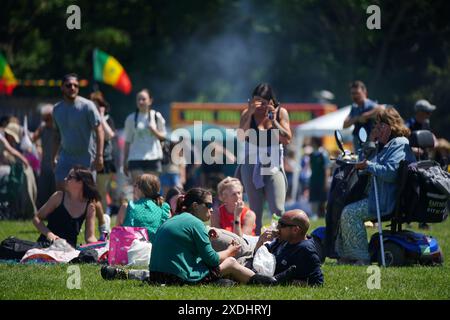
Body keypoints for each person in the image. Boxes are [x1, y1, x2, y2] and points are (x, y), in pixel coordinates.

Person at [102, 188, 296, 285]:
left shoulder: (177, 218)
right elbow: (212, 260)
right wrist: (230, 251)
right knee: (230, 264)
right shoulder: (195, 223)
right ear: (196, 206)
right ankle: (268, 283)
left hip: (156, 274)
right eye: (208, 206)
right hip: (177, 278)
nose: (211, 210)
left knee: (224, 274)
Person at [336, 107, 416, 265]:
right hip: (376, 195)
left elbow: (391, 173)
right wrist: (370, 143)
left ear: (388, 126)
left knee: (349, 213)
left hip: (384, 200)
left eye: (378, 125)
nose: (376, 129)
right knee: (343, 205)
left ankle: (361, 257)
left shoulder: (399, 143)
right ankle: (348, 255)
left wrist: (368, 165)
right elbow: (367, 163)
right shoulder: (387, 144)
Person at [237, 83, 292, 235]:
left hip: (273, 163)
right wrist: (249, 113)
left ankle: (280, 239)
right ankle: (256, 245)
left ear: (271, 102)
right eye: (255, 101)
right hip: (251, 162)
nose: (259, 105)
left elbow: (287, 139)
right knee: (255, 209)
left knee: (278, 208)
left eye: (262, 102)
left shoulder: (281, 113)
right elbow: (242, 136)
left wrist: (274, 121)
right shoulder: (247, 113)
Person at [52, 73, 104, 190]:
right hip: (65, 158)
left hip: (86, 159)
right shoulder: (57, 109)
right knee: (61, 190)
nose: (72, 88)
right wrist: (53, 158)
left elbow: (99, 130)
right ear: (62, 87)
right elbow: (56, 135)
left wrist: (99, 156)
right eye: (69, 85)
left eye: (76, 85)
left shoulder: (88, 106)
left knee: (89, 197)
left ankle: (98, 210)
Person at [32, 166, 99, 248]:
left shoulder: (90, 207)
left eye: (70, 177)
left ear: (81, 183)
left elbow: (90, 237)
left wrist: (101, 246)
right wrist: (49, 234)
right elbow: (36, 218)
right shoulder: (58, 197)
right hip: (46, 245)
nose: (65, 179)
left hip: (69, 250)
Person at [254, 209, 324, 286]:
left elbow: (318, 282)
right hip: (253, 247)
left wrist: (288, 281)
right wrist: (260, 241)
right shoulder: (285, 240)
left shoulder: (305, 250)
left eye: (282, 225)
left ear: (295, 230)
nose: (277, 228)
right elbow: (259, 255)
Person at [405, 99, 437, 230]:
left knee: (425, 190)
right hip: (412, 163)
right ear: (419, 112)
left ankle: (423, 220)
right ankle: (408, 217)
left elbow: (432, 138)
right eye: (427, 112)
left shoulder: (426, 124)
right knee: (413, 191)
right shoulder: (408, 125)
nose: (429, 115)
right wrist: (413, 149)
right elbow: (402, 142)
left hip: (424, 161)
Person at [123, 89, 167, 183]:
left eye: (143, 99)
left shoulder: (156, 116)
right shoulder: (131, 118)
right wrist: (124, 161)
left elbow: (163, 136)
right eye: (138, 99)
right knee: (138, 187)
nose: (140, 102)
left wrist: (153, 130)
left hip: (153, 157)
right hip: (135, 158)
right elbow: (127, 141)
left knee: (152, 189)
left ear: (150, 101)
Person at [116, 174, 170, 242]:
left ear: (140, 189)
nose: (133, 188)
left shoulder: (127, 207)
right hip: (155, 251)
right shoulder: (164, 208)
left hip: (131, 251)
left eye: (135, 185)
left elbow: (116, 233)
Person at [90, 91, 117, 216]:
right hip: (89, 158)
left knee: (101, 191)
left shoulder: (107, 119)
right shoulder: (87, 119)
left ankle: (104, 216)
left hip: (104, 161)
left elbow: (109, 135)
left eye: (97, 105)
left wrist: (100, 117)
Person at [343, 80, 382, 153]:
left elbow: (381, 109)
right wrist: (357, 118)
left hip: (370, 143)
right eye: (352, 93)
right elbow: (345, 124)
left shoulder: (370, 105)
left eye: (357, 93)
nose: (354, 96)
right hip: (358, 142)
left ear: (364, 92)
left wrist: (366, 116)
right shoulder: (355, 107)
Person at [32, 104, 57, 208]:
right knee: (43, 190)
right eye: (44, 119)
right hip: (45, 163)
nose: (45, 121)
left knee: (54, 190)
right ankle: (42, 212)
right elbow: (33, 138)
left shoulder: (58, 128)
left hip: (56, 163)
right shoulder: (42, 127)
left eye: (47, 119)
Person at [308, 137, 330, 219]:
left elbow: (327, 169)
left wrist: (326, 181)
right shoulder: (311, 155)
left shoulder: (323, 154)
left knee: (323, 198)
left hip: (322, 180)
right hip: (313, 179)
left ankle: (323, 214)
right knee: (313, 197)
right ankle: (314, 214)